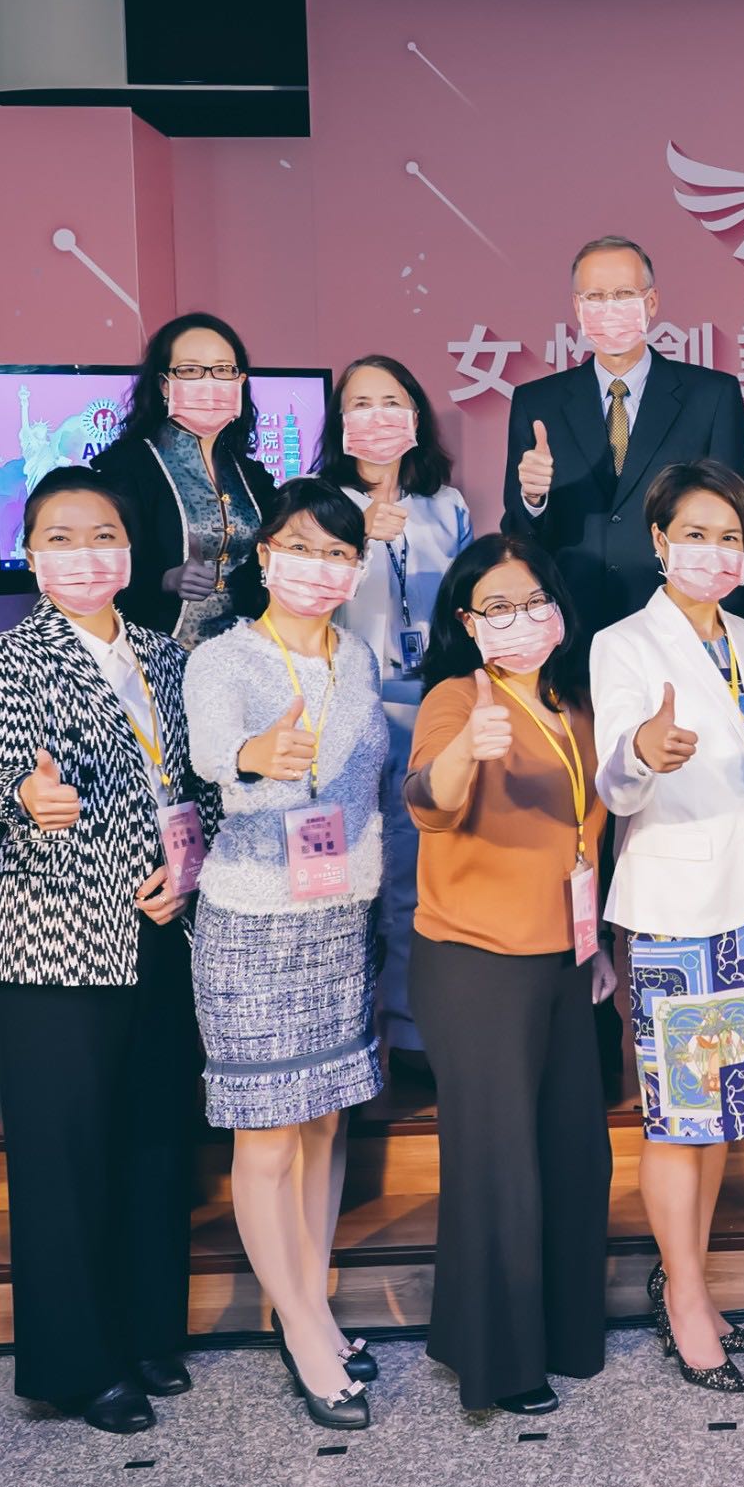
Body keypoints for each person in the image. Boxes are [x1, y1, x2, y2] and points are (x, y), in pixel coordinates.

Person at [0, 466, 213, 1436]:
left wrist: (189, 870)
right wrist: (32, 797)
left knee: (154, 1141)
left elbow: (198, 788)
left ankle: (146, 1332)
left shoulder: (166, 654)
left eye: (102, 534)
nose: (83, 554)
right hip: (52, 942)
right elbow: (4, 778)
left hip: (161, 928)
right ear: (31, 554)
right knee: (62, 1163)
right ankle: (74, 1365)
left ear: (133, 550)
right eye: (59, 538)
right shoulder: (8, 657)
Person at [589, 460, 744, 1393]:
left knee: (719, 1112)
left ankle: (694, 1279)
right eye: (695, 534)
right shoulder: (622, 642)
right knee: (676, 1118)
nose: (714, 553)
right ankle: (681, 1297)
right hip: (676, 911)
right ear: (657, 540)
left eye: (730, 538)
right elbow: (614, 782)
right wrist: (642, 751)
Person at [184, 478, 388, 1428]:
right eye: (300, 547)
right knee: (266, 1132)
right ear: (264, 554)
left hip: (341, 914)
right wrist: (254, 753)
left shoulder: (359, 656)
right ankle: (303, 1328)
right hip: (255, 917)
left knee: (322, 1123)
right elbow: (211, 752)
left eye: (338, 553)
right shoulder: (223, 657)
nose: (319, 568)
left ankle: (310, 1297)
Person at [405, 534, 616, 1414]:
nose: (520, 619)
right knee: (498, 1168)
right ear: (467, 621)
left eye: (533, 601)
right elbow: (427, 798)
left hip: (565, 958)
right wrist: (467, 750)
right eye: (497, 606)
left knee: (576, 1154)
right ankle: (499, 1361)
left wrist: (595, 944)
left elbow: (587, 831)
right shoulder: (458, 699)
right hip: (476, 962)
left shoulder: (576, 703)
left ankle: (565, 1333)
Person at [318, 354, 473, 1068]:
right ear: (340, 420)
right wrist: (357, 540)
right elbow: (300, 605)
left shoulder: (447, 504)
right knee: (346, 876)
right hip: (347, 711)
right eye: (360, 403)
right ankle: (346, 1033)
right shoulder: (318, 504)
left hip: (427, 709)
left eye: (391, 401)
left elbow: (467, 606)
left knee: (414, 875)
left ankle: (410, 1031)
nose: (377, 416)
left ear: (415, 415)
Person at [503, 235, 744, 639]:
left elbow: (736, 527)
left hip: (678, 625)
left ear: (651, 302)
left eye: (623, 294)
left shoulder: (710, 396)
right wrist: (533, 500)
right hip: (571, 627)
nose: (609, 307)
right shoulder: (537, 402)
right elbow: (519, 535)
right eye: (595, 296)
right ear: (577, 307)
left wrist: (731, 634)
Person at [91, 312, 278, 647]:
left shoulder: (251, 476)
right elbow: (97, 569)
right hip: (158, 653)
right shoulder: (128, 468)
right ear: (164, 384)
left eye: (222, 369)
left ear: (239, 381)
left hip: (245, 651)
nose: (209, 381)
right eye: (190, 370)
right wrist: (166, 579)